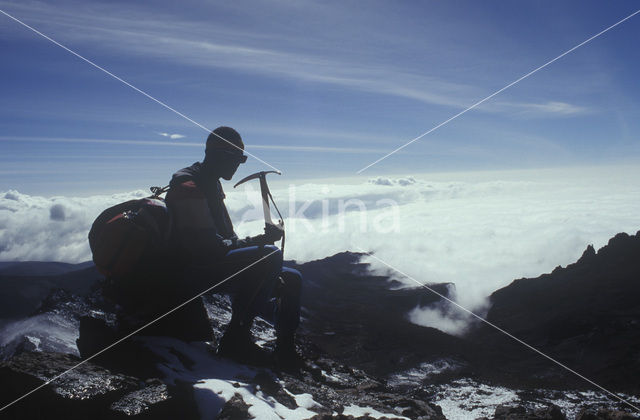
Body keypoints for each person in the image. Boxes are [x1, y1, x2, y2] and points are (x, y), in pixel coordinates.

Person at [161, 126, 303, 366]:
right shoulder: (189, 186)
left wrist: (258, 241)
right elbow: (206, 248)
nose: (239, 165)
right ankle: (235, 340)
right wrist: (260, 242)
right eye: (238, 158)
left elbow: (225, 238)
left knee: (292, 278)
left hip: (206, 263)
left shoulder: (211, 183)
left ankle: (286, 350)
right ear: (220, 155)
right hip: (190, 270)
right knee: (269, 258)